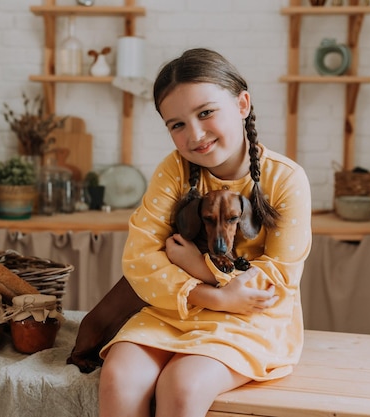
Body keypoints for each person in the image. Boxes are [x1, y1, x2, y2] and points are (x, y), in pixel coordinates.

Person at [97, 48, 312, 417]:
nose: (195, 134)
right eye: (177, 124)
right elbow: (140, 258)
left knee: (182, 385)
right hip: (174, 309)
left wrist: (198, 266)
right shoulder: (173, 171)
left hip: (249, 321)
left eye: (206, 112)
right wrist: (216, 296)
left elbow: (274, 281)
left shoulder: (286, 179)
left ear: (243, 104)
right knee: (119, 377)